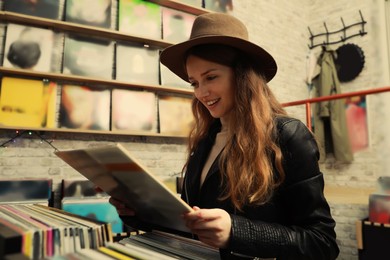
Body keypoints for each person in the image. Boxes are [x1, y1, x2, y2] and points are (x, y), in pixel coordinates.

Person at [109, 12, 339, 259]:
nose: (202, 92)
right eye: (194, 82)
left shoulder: (288, 135)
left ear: (242, 76)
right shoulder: (205, 139)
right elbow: (194, 226)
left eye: (211, 77)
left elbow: (322, 242)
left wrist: (235, 232)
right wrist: (138, 213)